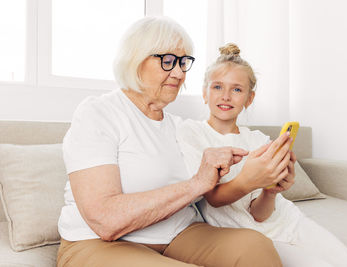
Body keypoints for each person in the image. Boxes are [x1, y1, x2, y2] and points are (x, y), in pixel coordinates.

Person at [56, 17, 283, 267]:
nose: (179, 73)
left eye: (184, 62)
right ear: (135, 59)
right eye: (168, 61)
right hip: (99, 243)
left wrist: (264, 177)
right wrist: (197, 183)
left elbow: (220, 193)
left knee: (254, 246)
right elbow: (105, 221)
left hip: (180, 234)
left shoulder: (180, 127)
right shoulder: (98, 113)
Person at [176, 43, 347, 267]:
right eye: (217, 87)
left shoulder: (258, 140)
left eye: (237, 89)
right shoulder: (191, 133)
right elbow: (212, 198)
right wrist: (250, 179)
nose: (226, 96)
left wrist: (271, 190)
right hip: (252, 238)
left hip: (289, 221)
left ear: (249, 98)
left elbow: (260, 214)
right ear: (204, 93)